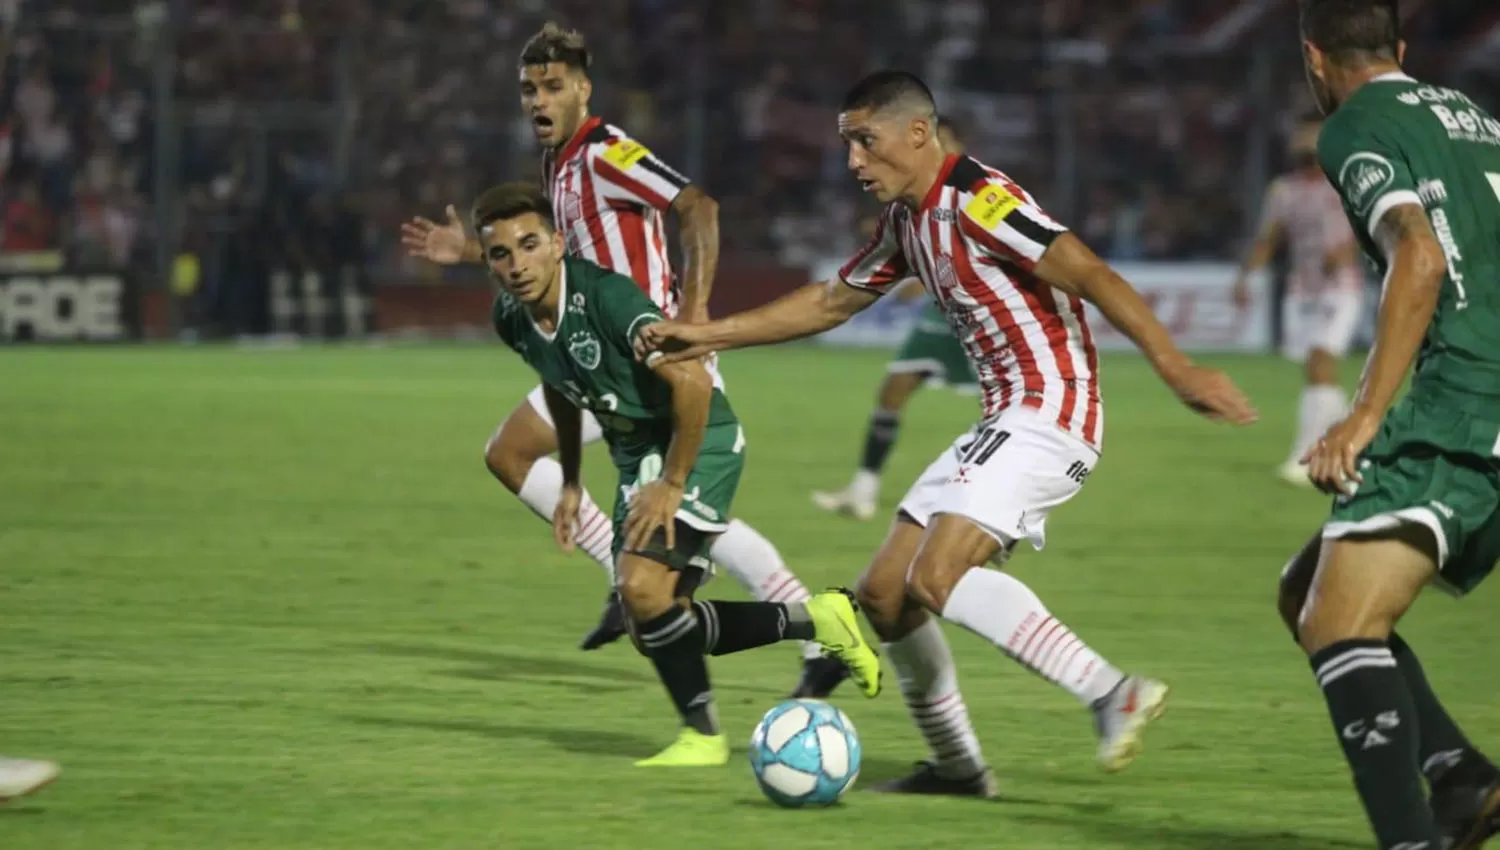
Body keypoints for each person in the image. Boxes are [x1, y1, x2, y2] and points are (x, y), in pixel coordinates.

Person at [637, 70, 1256, 794]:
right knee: (883, 594)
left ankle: (1110, 691)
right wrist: (708, 335)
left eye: (865, 142)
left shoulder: (981, 201)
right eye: (847, 145)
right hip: (1005, 416)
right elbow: (832, 301)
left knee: (936, 577)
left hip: (1051, 409)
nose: (854, 163)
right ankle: (959, 768)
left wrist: (1177, 369)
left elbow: (1090, 271)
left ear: (919, 133)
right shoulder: (906, 220)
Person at [400, 23, 846, 699]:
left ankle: (809, 628)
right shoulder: (559, 164)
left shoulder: (607, 150)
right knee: (513, 456)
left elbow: (698, 206)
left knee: (674, 506)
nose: (538, 99)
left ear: (583, 89)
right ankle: (638, 578)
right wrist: (467, 252)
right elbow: (550, 253)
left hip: (651, 360)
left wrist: (693, 320)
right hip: (593, 360)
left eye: (553, 86)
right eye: (528, 89)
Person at [471, 182, 881, 767]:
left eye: (529, 244)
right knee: (655, 622)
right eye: (500, 254)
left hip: (698, 436)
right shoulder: (511, 318)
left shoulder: (607, 299)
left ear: (558, 243)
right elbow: (563, 385)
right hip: (636, 454)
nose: (516, 264)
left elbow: (690, 382)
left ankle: (705, 739)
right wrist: (568, 479)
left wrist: (672, 482)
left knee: (640, 587)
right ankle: (818, 619)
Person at [1277, 2, 1500, 848]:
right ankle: (1461, 778)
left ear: (1314, 58)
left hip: (1469, 400)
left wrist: (1361, 418)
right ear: (1401, 50)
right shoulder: (1474, 117)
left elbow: (1419, 252)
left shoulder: (1352, 125)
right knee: (1307, 590)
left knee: (1338, 622)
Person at [813, 119, 979, 520]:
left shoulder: (974, 192)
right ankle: (863, 491)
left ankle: (986, 498)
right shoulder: (919, 192)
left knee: (1000, 409)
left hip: (975, 314)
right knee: (892, 393)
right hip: (938, 315)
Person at [1233, 118, 1365, 487]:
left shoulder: (1345, 184)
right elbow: (1268, 238)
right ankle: (1349, 444)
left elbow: (1365, 227)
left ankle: (1305, 455)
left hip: (1340, 288)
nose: (1304, 141)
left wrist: (1345, 250)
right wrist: (1246, 277)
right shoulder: (1283, 191)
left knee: (1321, 362)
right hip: (1301, 290)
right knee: (1313, 369)